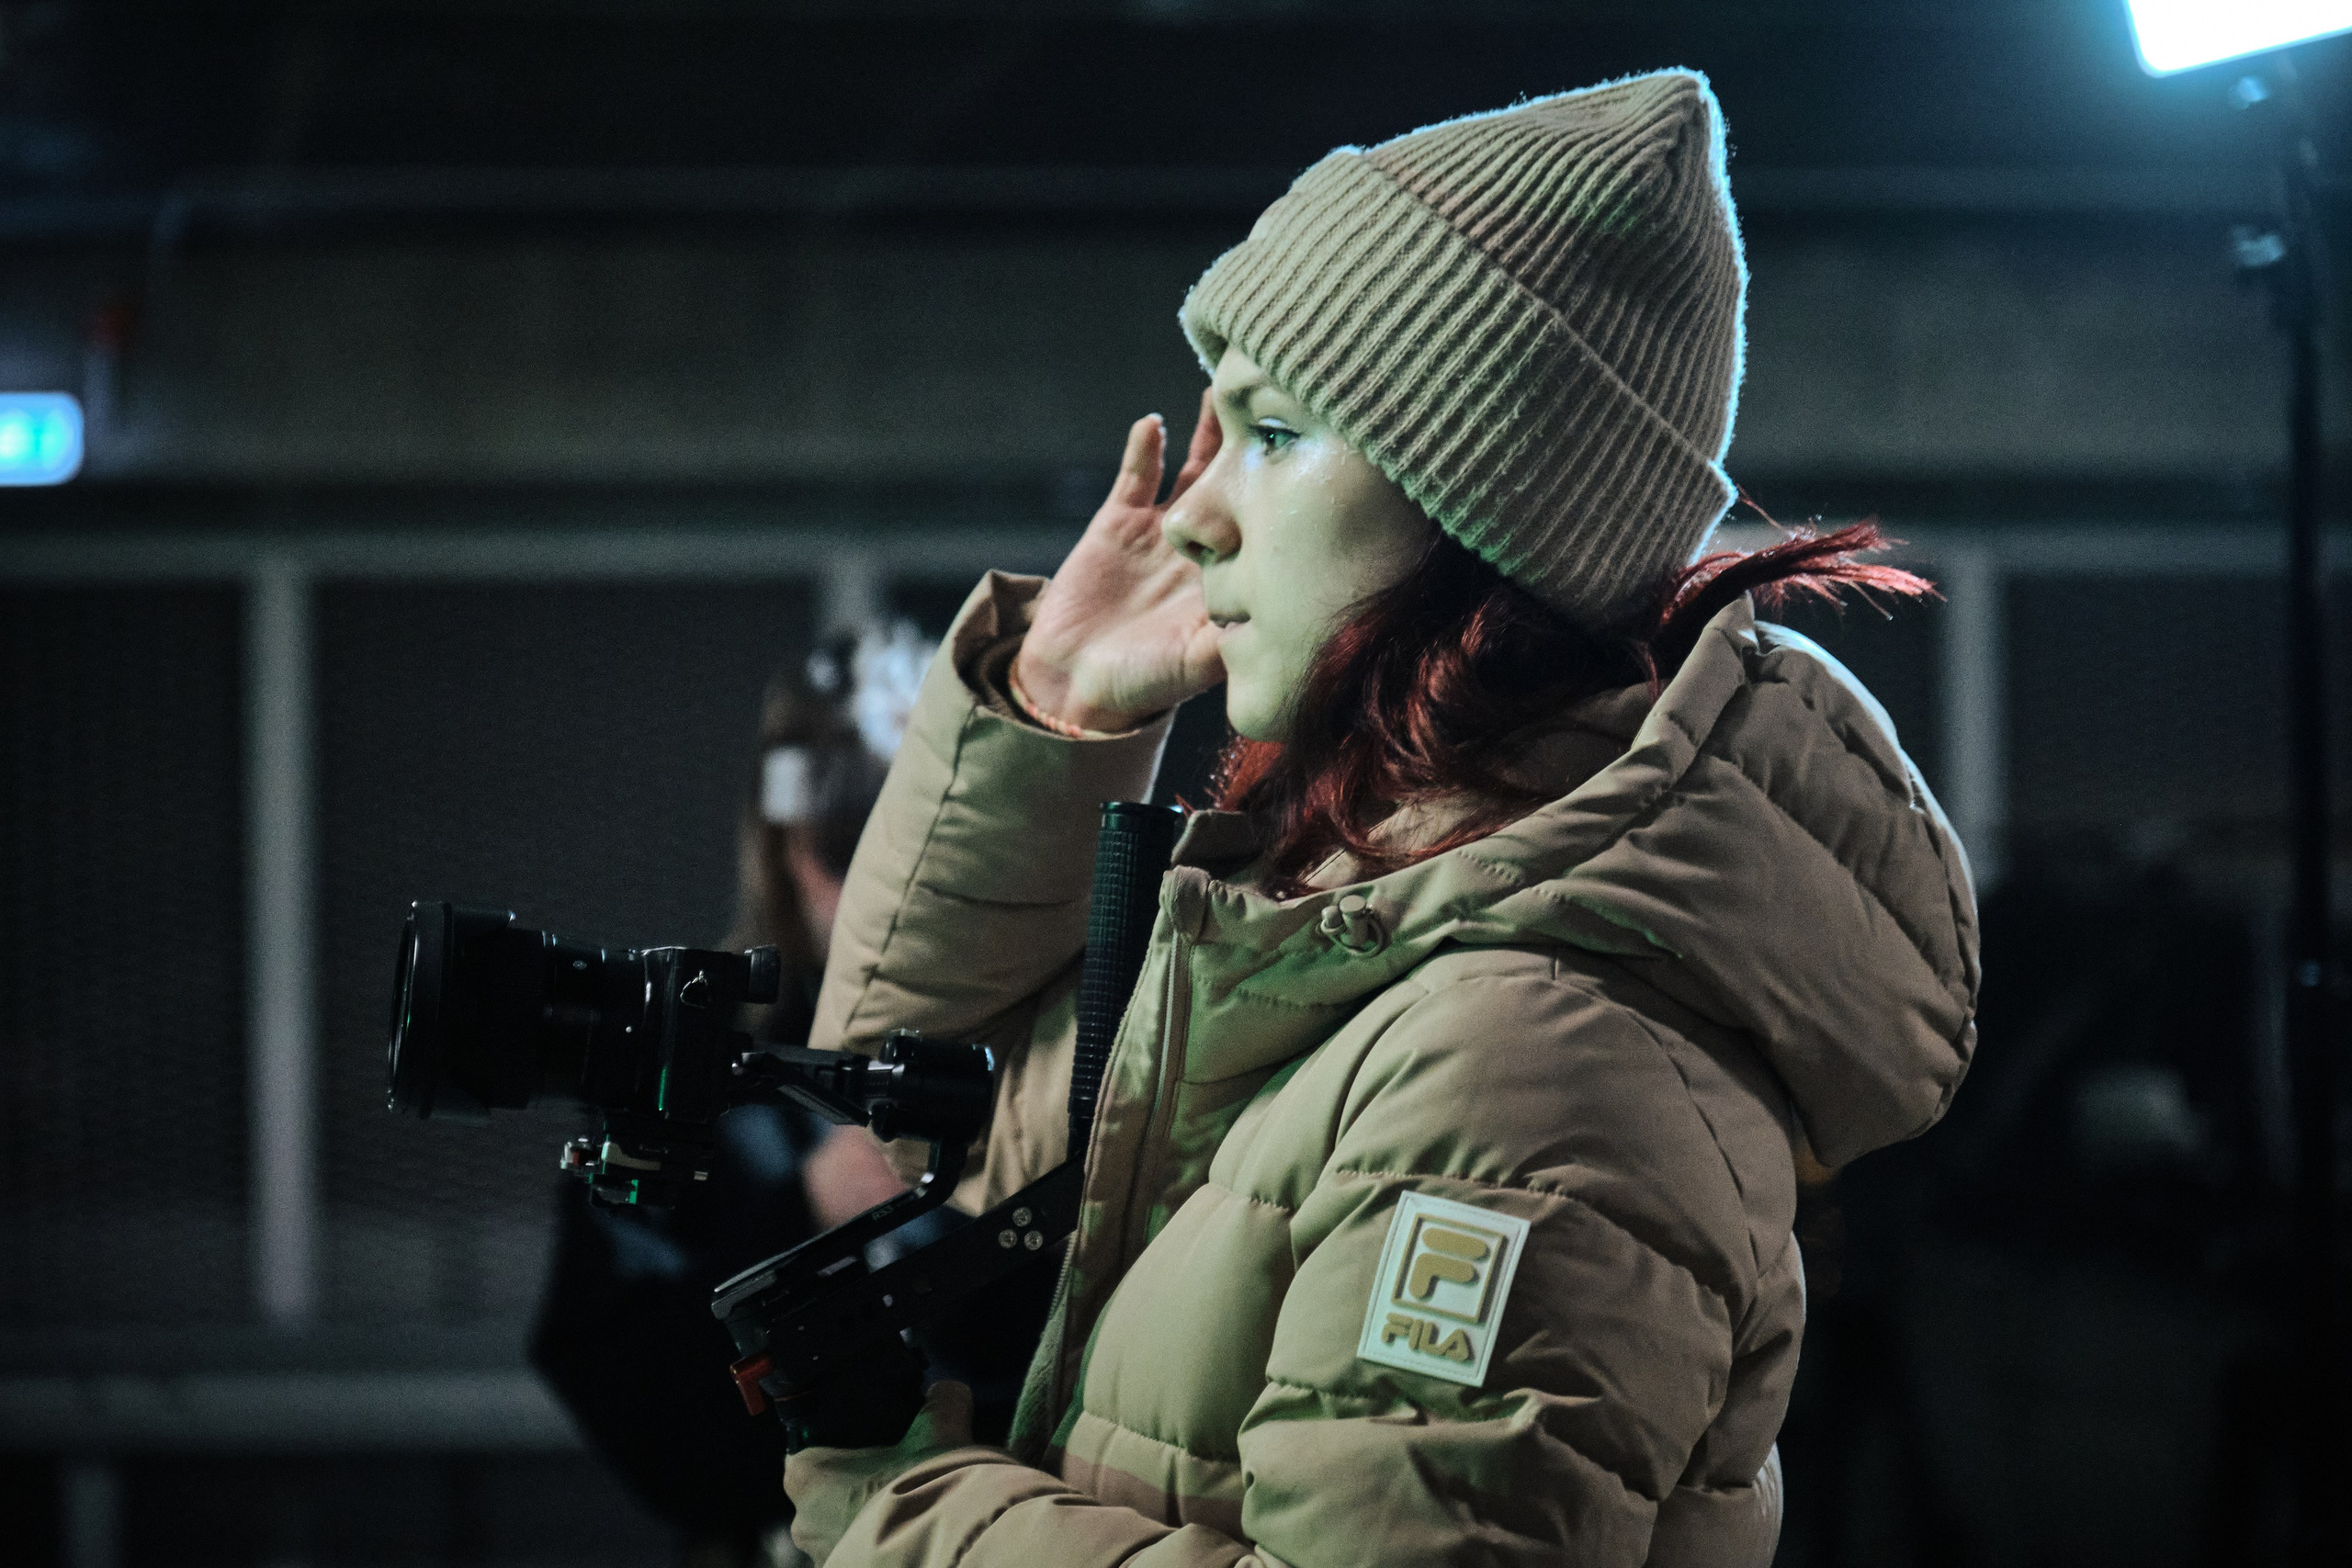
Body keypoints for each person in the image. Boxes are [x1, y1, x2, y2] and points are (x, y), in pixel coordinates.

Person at [784, 70, 1980, 1568]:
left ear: (1482, 510)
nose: (1192, 513)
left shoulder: (1535, 1070)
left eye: (1276, 432)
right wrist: (1056, 707)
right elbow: (907, 1110)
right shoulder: (1348, 941)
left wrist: (901, 1514)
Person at [532, 626, 972, 1568]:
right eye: (850, 842)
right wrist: (805, 1215)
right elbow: (639, 1408)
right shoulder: (681, 1072)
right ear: (786, 844)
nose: (883, 890)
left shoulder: (1062, 1051)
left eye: (919, 840)